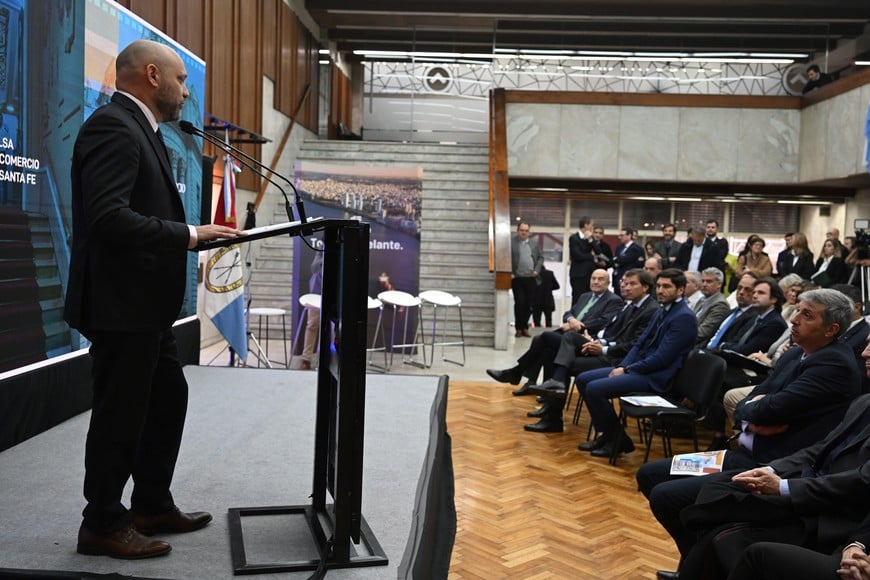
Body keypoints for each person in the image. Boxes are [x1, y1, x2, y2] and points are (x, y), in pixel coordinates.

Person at [64, 40, 243, 559]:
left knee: (167, 399)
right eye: (182, 81)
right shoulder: (112, 127)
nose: (187, 92)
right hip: (121, 307)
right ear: (151, 75)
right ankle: (100, 522)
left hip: (146, 308)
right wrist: (189, 234)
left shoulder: (142, 129)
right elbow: (106, 217)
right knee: (120, 414)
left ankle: (150, 503)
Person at [638, 288, 862, 579]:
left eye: (807, 315)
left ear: (831, 329)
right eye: (797, 310)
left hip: (765, 463)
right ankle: (697, 561)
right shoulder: (797, 353)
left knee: (667, 496)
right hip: (739, 453)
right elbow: (748, 402)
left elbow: (768, 408)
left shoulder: (834, 363)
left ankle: (698, 566)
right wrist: (754, 409)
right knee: (650, 475)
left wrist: (757, 408)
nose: (794, 320)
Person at [570, 269, 698, 458]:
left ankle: (616, 440)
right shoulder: (662, 310)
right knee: (583, 379)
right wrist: (623, 367)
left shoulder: (684, 317)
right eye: (660, 286)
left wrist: (628, 369)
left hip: (658, 378)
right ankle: (609, 435)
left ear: (680, 290)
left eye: (667, 287)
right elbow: (639, 344)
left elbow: (662, 358)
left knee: (595, 389)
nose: (661, 290)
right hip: (640, 370)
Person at [522, 269, 658, 433]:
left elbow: (635, 345)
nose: (626, 287)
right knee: (552, 347)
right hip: (601, 345)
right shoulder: (631, 305)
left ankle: (551, 410)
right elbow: (613, 332)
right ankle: (551, 413)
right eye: (625, 283)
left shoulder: (649, 309)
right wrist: (598, 341)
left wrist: (603, 348)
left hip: (618, 361)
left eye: (632, 284)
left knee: (562, 348)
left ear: (645, 287)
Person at [486, 269, 623, 394]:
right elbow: (568, 313)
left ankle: (517, 373)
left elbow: (602, 321)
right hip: (568, 335)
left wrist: (577, 326)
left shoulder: (614, 300)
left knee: (544, 337)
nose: (596, 282)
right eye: (593, 278)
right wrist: (570, 320)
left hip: (586, 339)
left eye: (600, 279)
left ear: (608, 282)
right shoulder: (585, 296)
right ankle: (538, 386)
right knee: (544, 346)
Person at [511, 221, 544, 337]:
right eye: (522, 230)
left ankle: (525, 327)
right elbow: (506, 256)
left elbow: (540, 257)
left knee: (529, 304)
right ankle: (518, 328)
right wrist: (511, 272)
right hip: (517, 278)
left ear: (529, 232)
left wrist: (537, 270)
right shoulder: (512, 242)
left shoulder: (534, 243)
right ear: (517, 231)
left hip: (531, 278)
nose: (524, 233)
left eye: (526, 231)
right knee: (519, 302)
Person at [694, 267, 731, 346]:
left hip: (697, 346)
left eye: (709, 281)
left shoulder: (720, 304)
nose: (704, 284)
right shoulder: (702, 299)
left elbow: (703, 333)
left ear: (719, 284)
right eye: (703, 281)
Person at [300, 250, 323, 370]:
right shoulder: (321, 249)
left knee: (332, 329)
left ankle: (325, 359)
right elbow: (314, 268)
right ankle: (306, 359)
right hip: (317, 292)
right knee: (312, 325)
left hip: (336, 292)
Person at [568, 217, 595, 300]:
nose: (592, 227)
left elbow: (598, 251)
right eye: (591, 225)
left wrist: (590, 239)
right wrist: (591, 256)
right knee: (578, 299)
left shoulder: (591, 238)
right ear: (586, 225)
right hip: (578, 274)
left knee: (589, 299)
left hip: (589, 274)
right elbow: (577, 255)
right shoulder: (574, 238)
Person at [532, 264, 560, 328]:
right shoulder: (550, 274)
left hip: (536, 301)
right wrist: (549, 288)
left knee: (536, 322)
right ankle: (548, 335)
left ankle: (536, 335)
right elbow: (557, 286)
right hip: (547, 300)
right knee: (548, 321)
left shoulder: (534, 275)